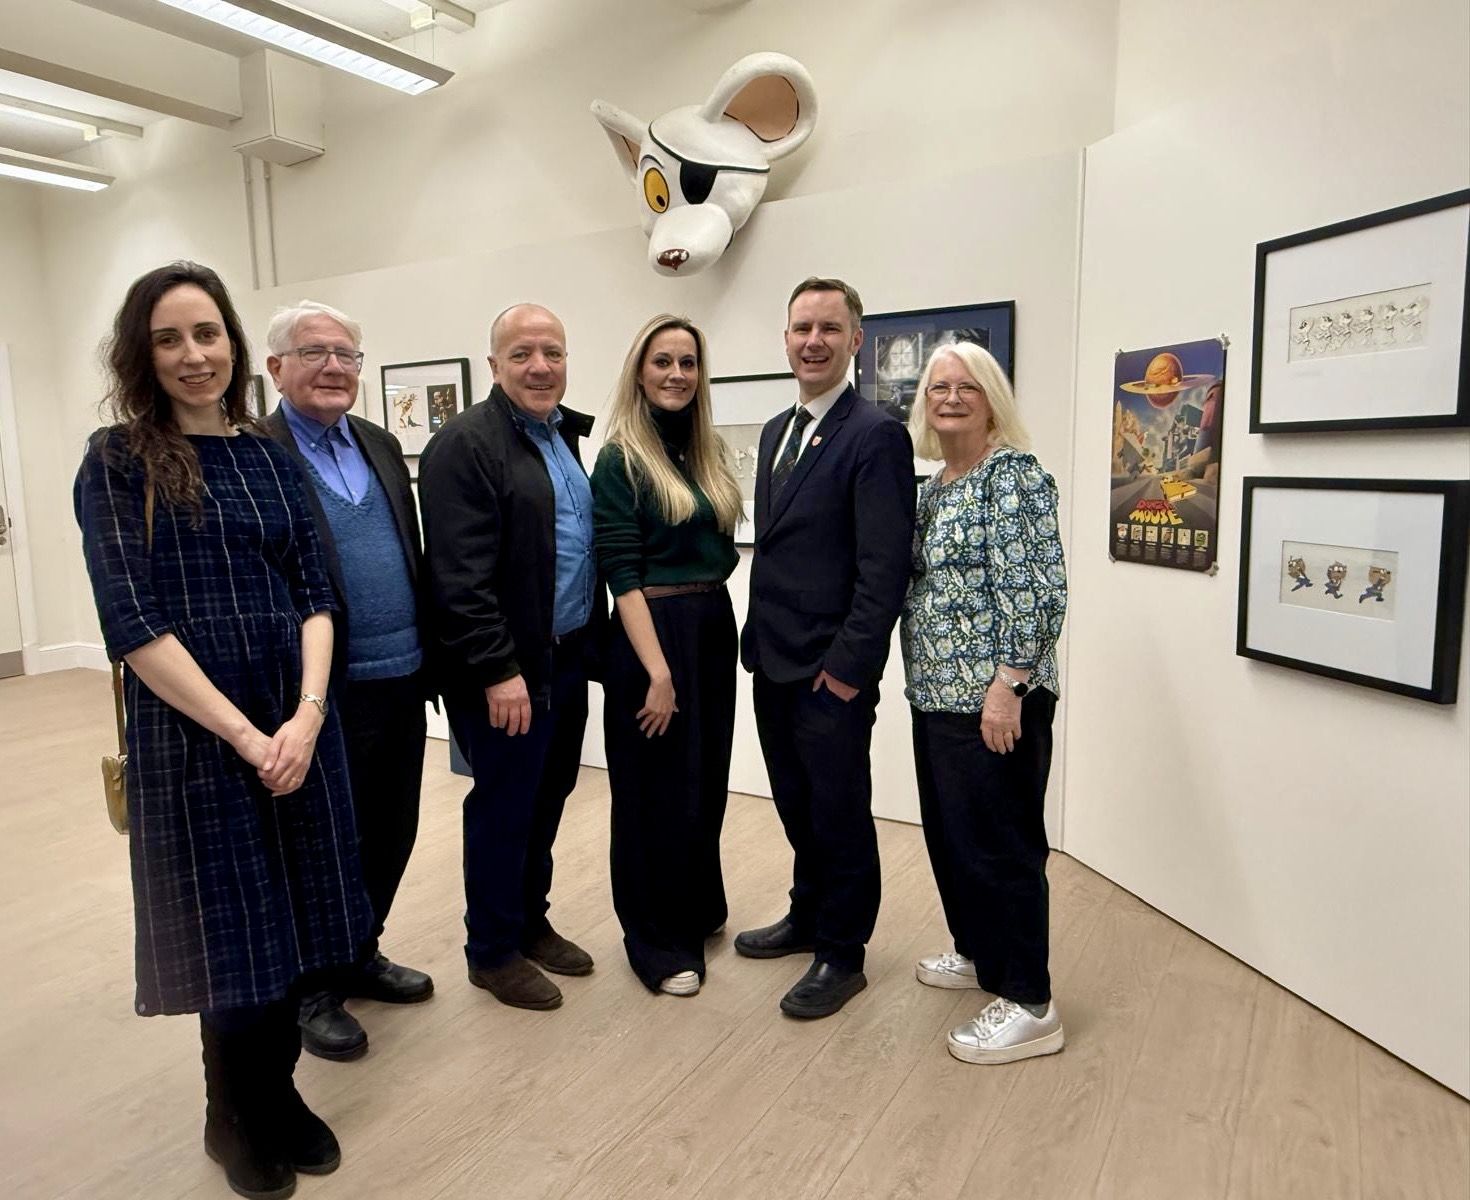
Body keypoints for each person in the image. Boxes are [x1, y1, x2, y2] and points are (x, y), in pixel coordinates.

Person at [74, 262, 373, 1198]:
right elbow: (133, 624)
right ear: (143, 354)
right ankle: (232, 1111)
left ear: (234, 347)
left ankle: (273, 1093)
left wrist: (309, 715)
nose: (193, 355)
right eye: (169, 339)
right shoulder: (117, 461)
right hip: (200, 736)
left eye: (206, 334)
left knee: (293, 925)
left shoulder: (268, 457)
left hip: (296, 726)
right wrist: (250, 736)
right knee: (230, 937)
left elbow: (317, 597)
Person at [736, 277, 915, 1018]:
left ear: (855, 341)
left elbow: (885, 569)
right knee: (794, 802)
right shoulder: (778, 429)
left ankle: (843, 953)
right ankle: (807, 913)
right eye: (801, 327)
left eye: (828, 329)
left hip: (828, 673)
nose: (813, 340)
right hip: (773, 660)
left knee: (838, 812)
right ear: (785, 339)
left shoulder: (875, 434)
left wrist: (848, 671)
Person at [261, 301, 435, 1063]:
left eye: (347, 354)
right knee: (321, 841)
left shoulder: (380, 444)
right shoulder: (255, 452)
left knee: (392, 828)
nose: (334, 367)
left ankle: (362, 951)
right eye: (313, 352)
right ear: (275, 368)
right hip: (316, 691)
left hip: (400, 677)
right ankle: (313, 987)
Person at [418, 303, 601, 1012]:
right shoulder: (466, 444)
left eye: (552, 352)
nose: (539, 366)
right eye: (521, 353)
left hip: (564, 660)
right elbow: (458, 577)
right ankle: (491, 950)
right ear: (493, 365)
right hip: (507, 672)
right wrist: (499, 670)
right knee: (503, 806)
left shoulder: (560, 436)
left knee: (547, 798)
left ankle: (530, 921)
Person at [901, 341, 1069, 1064]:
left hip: (996, 701)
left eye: (967, 386)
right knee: (952, 839)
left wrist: (1009, 685)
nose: (951, 397)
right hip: (936, 695)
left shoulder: (1013, 475)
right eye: (939, 386)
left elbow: (1036, 589)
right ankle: (977, 953)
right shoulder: (936, 483)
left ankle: (1031, 1000)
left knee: (1003, 848)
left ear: (992, 396)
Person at [590, 315, 742, 997]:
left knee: (704, 781)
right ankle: (655, 941)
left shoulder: (704, 451)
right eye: (663, 362)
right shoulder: (621, 457)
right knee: (655, 792)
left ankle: (698, 906)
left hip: (710, 623)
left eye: (688, 362)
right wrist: (657, 670)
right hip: (652, 633)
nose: (677, 374)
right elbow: (621, 574)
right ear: (639, 371)